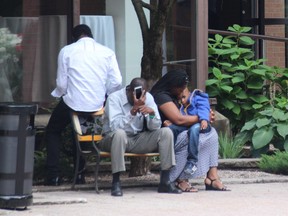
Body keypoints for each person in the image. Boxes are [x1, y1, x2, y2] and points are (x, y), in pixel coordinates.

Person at [45, 24, 122, 186]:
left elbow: (61, 83)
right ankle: (79, 175)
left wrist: (59, 94)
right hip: (97, 105)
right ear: (90, 35)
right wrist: (104, 95)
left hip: (73, 102)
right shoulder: (107, 52)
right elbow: (117, 81)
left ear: (74, 37)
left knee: (53, 130)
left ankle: (53, 176)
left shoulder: (67, 51)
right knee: (80, 136)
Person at [99, 77, 182, 196]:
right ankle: (116, 182)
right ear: (129, 91)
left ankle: (165, 181)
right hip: (112, 139)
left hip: (136, 138)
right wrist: (132, 112)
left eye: (143, 94)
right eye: (137, 94)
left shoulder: (147, 98)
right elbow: (114, 127)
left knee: (166, 133)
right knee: (120, 134)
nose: (140, 98)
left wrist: (152, 114)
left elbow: (155, 128)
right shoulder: (114, 98)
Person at [150, 69, 229, 192]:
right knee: (194, 137)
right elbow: (179, 119)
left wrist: (204, 116)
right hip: (166, 136)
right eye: (181, 88)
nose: (183, 91)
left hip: (179, 131)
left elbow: (193, 103)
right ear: (173, 86)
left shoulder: (176, 93)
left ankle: (212, 177)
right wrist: (202, 118)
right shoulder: (161, 96)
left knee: (211, 133)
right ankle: (180, 178)